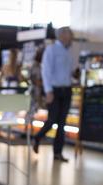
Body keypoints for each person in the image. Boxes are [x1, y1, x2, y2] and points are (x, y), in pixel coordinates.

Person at [33, 27, 76, 162]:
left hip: (66, 90)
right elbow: (46, 71)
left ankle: (58, 152)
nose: (71, 37)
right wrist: (48, 91)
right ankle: (38, 137)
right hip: (54, 91)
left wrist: (74, 78)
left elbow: (68, 73)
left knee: (62, 123)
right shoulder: (51, 50)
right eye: (70, 35)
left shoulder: (68, 52)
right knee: (52, 120)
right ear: (62, 36)